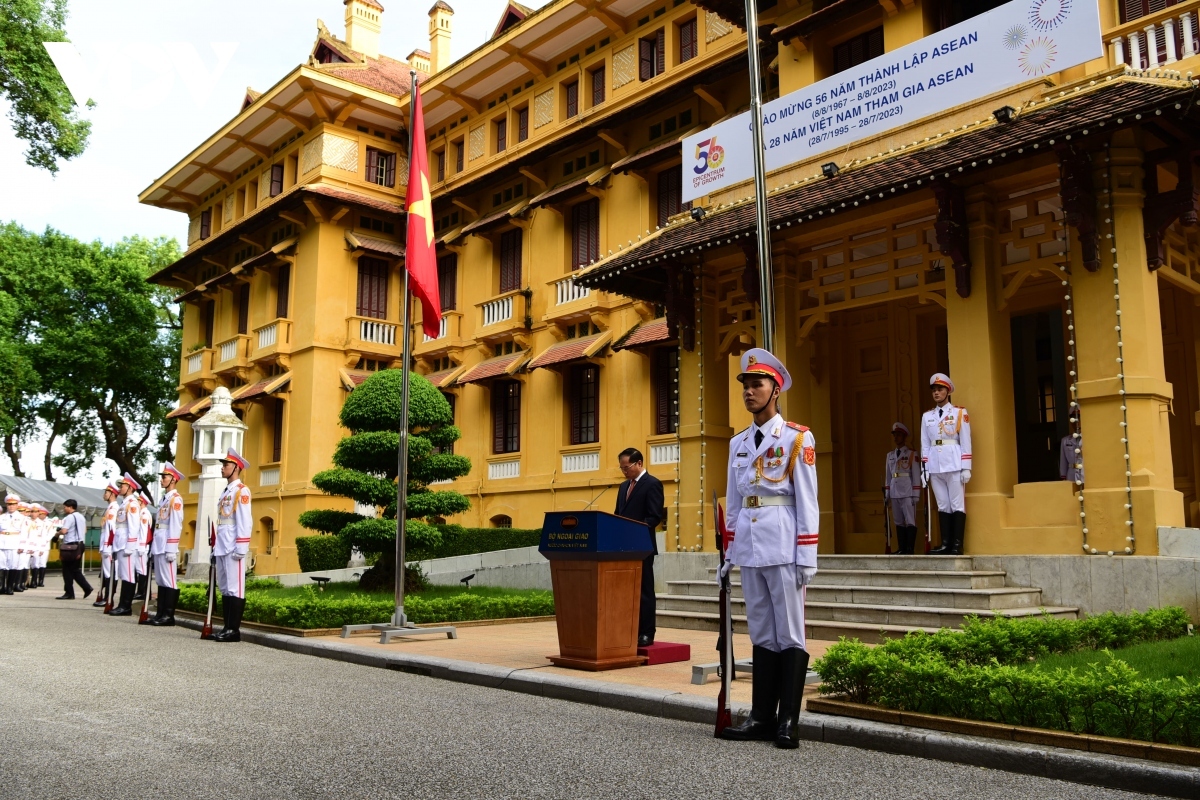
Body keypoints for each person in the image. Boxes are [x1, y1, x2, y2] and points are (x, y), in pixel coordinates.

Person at [718, 348, 819, 750]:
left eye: (757, 384)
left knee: (790, 633)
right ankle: (761, 716)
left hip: (783, 542)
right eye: (745, 385)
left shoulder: (796, 437)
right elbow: (734, 499)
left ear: (775, 390)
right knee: (761, 630)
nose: (749, 392)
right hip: (749, 545)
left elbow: (807, 499)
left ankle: (788, 722)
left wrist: (807, 554)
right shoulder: (738, 442)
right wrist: (729, 553)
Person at [614, 447, 665, 647]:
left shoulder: (652, 484)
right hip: (622, 547)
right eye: (622, 468)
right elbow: (617, 513)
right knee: (626, 591)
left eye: (627, 467)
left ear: (639, 463)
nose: (624, 472)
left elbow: (654, 517)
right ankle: (629, 629)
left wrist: (632, 530)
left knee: (644, 590)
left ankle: (646, 632)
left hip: (642, 546)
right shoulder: (622, 487)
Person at [921, 373, 972, 556]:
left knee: (957, 504)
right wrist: (924, 469)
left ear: (947, 391)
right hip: (935, 465)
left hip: (954, 463)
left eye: (940, 389)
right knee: (943, 505)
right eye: (934, 390)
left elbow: (965, 440)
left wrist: (966, 466)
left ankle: (957, 545)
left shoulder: (959, 413)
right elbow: (925, 444)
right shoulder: (927, 416)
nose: (936, 393)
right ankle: (945, 544)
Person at [213, 448, 252, 642]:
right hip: (223, 544)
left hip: (233, 546)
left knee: (235, 588)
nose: (222, 468)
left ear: (236, 467)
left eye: (226, 465)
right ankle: (226, 627)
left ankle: (234, 630)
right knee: (225, 587)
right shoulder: (227, 491)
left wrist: (241, 547)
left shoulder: (241, 491)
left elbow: (245, 521)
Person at [148, 463, 184, 626]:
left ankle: (168, 616)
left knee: (169, 581)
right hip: (159, 543)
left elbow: (176, 525)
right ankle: (160, 613)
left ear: (173, 480)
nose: (162, 479)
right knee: (161, 581)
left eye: (165, 477)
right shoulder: (164, 499)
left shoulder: (175, 499)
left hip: (167, 545)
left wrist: (171, 548)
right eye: (162, 477)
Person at [884, 423, 922, 555]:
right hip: (895, 491)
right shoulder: (890, 455)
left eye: (899, 435)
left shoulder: (911, 454)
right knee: (898, 521)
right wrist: (887, 493)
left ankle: (910, 549)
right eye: (895, 435)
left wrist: (916, 493)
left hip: (907, 492)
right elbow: (888, 476)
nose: (896, 437)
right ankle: (902, 548)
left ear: (904, 437)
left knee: (910, 520)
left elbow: (916, 474)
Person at [109, 473, 143, 616]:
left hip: (127, 545)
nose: (119, 488)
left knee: (129, 575)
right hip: (121, 543)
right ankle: (122, 604)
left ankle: (126, 606)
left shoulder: (132, 504)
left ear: (129, 488)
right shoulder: (124, 503)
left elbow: (134, 526)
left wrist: (130, 545)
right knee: (124, 574)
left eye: (122, 486)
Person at [57, 499, 93, 600]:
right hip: (80, 544)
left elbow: (64, 531)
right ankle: (86, 588)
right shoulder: (81, 517)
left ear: (70, 507)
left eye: (65, 507)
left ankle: (70, 592)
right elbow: (85, 530)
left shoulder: (69, 517)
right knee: (74, 569)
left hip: (70, 546)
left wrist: (58, 533)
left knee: (67, 570)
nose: (64, 509)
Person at [95, 480, 120, 608]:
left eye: (106, 492)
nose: (104, 494)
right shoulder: (109, 508)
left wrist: (108, 545)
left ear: (112, 494)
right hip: (106, 545)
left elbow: (112, 529)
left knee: (110, 572)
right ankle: (106, 596)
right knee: (106, 572)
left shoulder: (113, 508)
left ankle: (108, 597)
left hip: (109, 545)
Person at [0, 494, 26, 595]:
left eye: (13, 504)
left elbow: (24, 533)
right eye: (9, 504)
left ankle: (10, 587)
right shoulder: (1, 517)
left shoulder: (22, 518)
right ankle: (2, 586)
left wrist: (22, 546)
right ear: (6, 505)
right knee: (1, 566)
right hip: (2, 543)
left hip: (14, 543)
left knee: (12, 566)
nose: (11, 506)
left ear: (17, 505)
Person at [133, 491, 153, 601]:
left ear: (142, 502)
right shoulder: (142, 513)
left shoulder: (144, 514)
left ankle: (142, 592)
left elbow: (144, 532)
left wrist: (141, 546)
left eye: (138, 501)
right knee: (140, 569)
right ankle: (142, 592)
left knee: (142, 570)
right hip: (140, 545)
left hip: (142, 546)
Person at [1060, 409, 1083, 487]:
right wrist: (1063, 475)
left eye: (1078, 417)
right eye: (1073, 418)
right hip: (1071, 473)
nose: (1076, 421)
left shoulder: (1090, 438)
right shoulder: (1065, 440)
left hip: (1085, 472)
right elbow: (1063, 461)